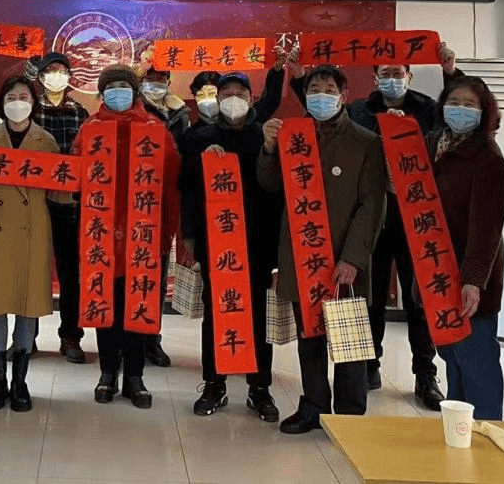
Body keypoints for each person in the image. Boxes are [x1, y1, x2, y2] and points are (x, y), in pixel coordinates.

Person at [287, 42, 459, 409]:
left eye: (398, 72)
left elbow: (454, 122)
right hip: (369, 223)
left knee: (418, 299)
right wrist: (300, 80)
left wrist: (449, 74)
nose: (392, 78)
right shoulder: (360, 111)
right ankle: (371, 365)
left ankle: (425, 373)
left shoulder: (427, 109)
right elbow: (324, 117)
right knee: (370, 299)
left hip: (414, 220)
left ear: (409, 76)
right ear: (375, 77)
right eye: (385, 73)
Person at [258, 64, 386, 434]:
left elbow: (372, 206)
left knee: (349, 341)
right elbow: (268, 184)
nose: (321, 95)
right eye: (314, 89)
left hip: (344, 260)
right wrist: (268, 149)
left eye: (329, 89)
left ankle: (349, 416)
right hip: (302, 256)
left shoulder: (365, 141)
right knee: (310, 336)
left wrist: (353, 258)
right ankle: (313, 406)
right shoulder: (292, 136)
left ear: (343, 96)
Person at [71, 65, 180, 409]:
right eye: (112, 86)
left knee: (138, 303)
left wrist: (167, 232)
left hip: (142, 235)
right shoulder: (89, 130)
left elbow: (171, 184)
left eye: (124, 85)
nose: (118, 91)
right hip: (101, 235)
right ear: (102, 93)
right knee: (104, 302)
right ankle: (107, 373)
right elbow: (74, 180)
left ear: (135, 92)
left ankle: (135, 377)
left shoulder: (155, 130)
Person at [0, 75, 65, 412]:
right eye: (10, 97)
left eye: (23, 97)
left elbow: (60, 189)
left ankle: (20, 381)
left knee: (26, 304)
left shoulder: (46, 141)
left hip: (32, 230)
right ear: (1, 103)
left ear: (33, 103)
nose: (17, 103)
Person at [180, 72, 280, 423]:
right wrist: (189, 235)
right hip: (216, 239)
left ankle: (259, 387)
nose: (234, 99)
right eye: (227, 94)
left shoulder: (264, 135)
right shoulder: (199, 137)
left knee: (257, 314)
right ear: (218, 99)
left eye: (241, 93)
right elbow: (186, 188)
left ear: (252, 99)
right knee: (217, 310)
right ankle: (214, 383)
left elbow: (277, 189)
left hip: (258, 240)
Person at [428, 76, 504, 420]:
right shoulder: (434, 145)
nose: (460, 109)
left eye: (469, 104)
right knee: (453, 356)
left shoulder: (487, 158)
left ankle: (487, 429)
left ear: (484, 111)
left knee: (477, 360)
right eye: (454, 102)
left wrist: (473, 280)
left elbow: (487, 228)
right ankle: (460, 431)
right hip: (437, 269)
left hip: (471, 274)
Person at [28, 51, 89, 364]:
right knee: (31, 270)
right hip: (33, 203)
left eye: (62, 70)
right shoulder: (28, 110)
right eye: (50, 70)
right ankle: (26, 337)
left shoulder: (80, 113)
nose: (56, 75)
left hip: (69, 205)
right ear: (40, 76)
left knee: (70, 274)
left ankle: (71, 336)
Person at [136, 64, 190, 368]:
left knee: (156, 274)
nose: (156, 84)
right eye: (151, 79)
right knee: (130, 275)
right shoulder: (133, 108)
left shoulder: (179, 113)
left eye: (161, 79)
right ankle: (127, 340)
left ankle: (151, 339)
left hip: (163, 202)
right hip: (133, 201)